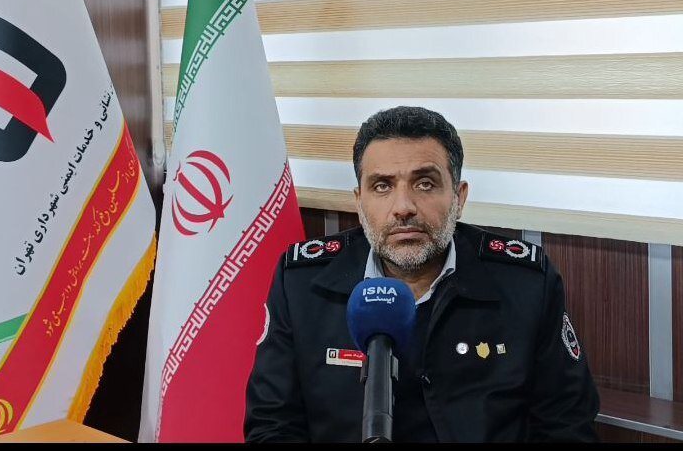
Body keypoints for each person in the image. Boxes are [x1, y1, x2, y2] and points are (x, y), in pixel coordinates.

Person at [244, 106, 600, 443]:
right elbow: (272, 424)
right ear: (359, 201)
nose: (403, 207)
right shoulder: (301, 284)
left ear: (459, 197)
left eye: (425, 184)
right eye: (382, 186)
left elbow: (566, 424)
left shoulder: (525, 285)